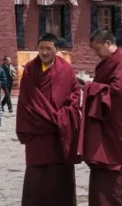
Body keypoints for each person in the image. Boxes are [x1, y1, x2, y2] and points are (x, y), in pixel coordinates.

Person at [16, 33, 82, 206]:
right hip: (39, 131)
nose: (44, 53)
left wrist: (64, 115)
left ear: (57, 50)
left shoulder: (66, 69)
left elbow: (75, 94)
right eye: (41, 48)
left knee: (60, 174)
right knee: (37, 176)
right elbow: (28, 100)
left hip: (59, 132)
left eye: (48, 49)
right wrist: (53, 117)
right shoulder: (30, 69)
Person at [80, 29, 122, 206]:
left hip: (115, 126)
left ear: (107, 43)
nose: (96, 54)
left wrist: (90, 87)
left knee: (116, 165)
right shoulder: (107, 63)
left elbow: (117, 93)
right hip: (104, 124)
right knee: (100, 165)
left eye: (97, 49)